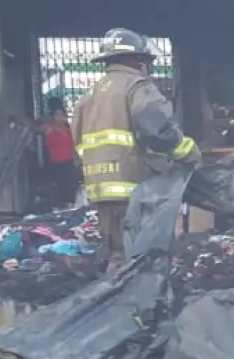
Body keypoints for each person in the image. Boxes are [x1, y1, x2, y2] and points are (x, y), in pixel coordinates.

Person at [73, 28, 201, 271]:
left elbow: (78, 150)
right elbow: (158, 132)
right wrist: (188, 151)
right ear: (136, 59)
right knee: (145, 259)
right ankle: (144, 307)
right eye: (144, 61)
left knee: (118, 257)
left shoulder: (87, 98)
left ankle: (116, 303)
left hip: (101, 193)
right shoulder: (138, 88)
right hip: (138, 190)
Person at [36, 97, 80, 209]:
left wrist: (77, 161)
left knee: (70, 194)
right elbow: (35, 129)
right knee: (58, 195)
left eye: (61, 114)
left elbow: (75, 147)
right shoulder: (48, 129)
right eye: (56, 114)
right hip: (55, 166)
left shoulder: (70, 130)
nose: (59, 117)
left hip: (69, 165)